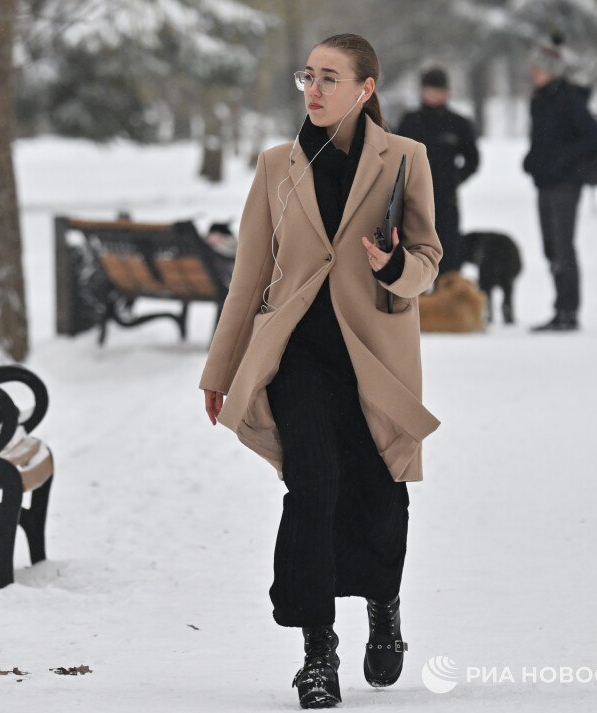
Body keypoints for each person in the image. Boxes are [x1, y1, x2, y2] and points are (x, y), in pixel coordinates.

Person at [198, 33, 442, 709]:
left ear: (366, 89)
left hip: (375, 356)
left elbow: (428, 259)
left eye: (331, 77)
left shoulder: (406, 160)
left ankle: (383, 601)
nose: (314, 88)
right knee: (312, 485)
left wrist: (392, 265)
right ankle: (317, 651)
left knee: (381, 489)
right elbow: (249, 276)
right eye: (309, 76)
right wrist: (221, 368)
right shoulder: (277, 165)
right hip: (297, 355)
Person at [522, 34, 597, 332]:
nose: (533, 73)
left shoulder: (569, 99)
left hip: (566, 184)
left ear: (551, 70)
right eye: (532, 68)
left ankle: (568, 311)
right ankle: (561, 308)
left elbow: (594, 137)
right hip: (545, 183)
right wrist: (532, 159)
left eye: (539, 68)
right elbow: (544, 141)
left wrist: (562, 160)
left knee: (562, 245)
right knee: (550, 247)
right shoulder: (540, 100)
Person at [397, 67, 480, 276]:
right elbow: (396, 155)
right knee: (414, 256)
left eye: (438, 90)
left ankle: (447, 304)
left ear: (447, 92)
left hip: (446, 200)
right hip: (413, 200)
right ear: (422, 92)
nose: (434, 95)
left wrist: (455, 179)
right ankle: (418, 305)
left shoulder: (458, 123)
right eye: (429, 90)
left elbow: (473, 159)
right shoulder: (410, 121)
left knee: (448, 256)